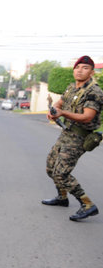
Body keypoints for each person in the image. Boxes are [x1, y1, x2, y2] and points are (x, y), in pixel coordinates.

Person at [43, 55, 102, 221]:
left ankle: (88, 204)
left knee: (61, 173)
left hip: (79, 137)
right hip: (66, 133)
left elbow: (87, 117)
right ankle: (62, 198)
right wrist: (53, 111)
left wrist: (62, 113)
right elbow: (59, 103)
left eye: (85, 68)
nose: (80, 70)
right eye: (77, 67)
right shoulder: (71, 88)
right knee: (50, 167)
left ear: (91, 72)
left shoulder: (94, 92)